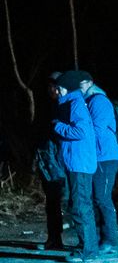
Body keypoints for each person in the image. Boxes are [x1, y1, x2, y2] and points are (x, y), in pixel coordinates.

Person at [54, 70, 98, 263]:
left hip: (80, 164)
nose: (57, 91)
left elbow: (80, 131)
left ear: (67, 88)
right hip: (79, 163)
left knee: (80, 206)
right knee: (79, 204)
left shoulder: (75, 105)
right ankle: (88, 246)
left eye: (60, 88)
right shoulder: (74, 103)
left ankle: (87, 249)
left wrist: (57, 126)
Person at [78, 72, 118, 254]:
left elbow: (96, 129)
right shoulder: (88, 101)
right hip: (97, 156)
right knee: (97, 198)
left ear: (90, 83)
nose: (79, 88)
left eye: (82, 84)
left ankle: (111, 240)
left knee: (102, 198)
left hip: (106, 156)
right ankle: (103, 238)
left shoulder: (99, 101)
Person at [33, 73, 67, 251]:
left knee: (65, 200)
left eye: (53, 87)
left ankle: (84, 241)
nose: (51, 90)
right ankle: (54, 238)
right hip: (48, 160)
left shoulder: (64, 106)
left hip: (59, 161)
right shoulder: (47, 106)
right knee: (52, 201)